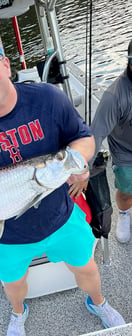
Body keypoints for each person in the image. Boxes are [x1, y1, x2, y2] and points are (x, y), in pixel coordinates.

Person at [0, 29, 125, 335]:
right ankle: (18, 313)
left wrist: (78, 162)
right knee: (12, 285)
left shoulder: (48, 98)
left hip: (62, 217)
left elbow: (83, 139)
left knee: (88, 268)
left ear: (5, 65)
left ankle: (98, 302)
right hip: (8, 235)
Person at [70, 40, 132, 244]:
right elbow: (95, 135)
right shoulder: (114, 96)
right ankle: (124, 214)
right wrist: (83, 171)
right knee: (126, 185)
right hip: (126, 153)